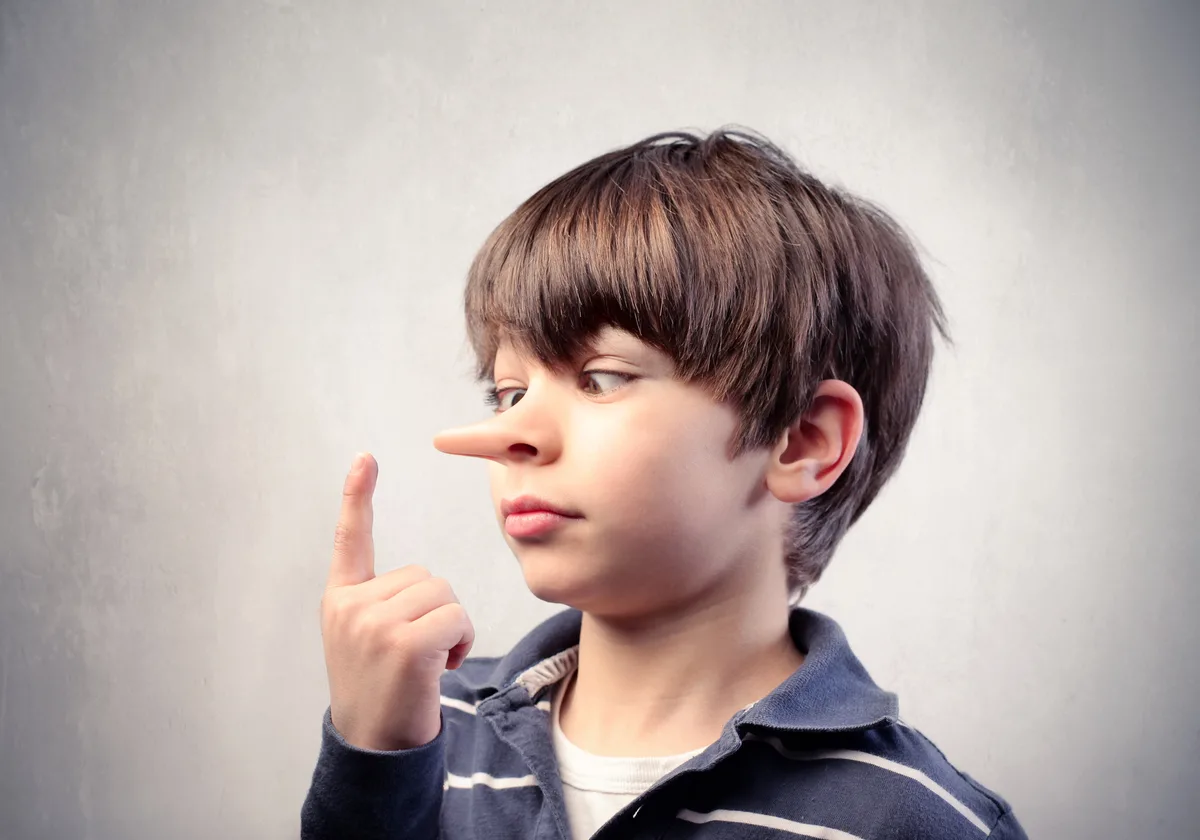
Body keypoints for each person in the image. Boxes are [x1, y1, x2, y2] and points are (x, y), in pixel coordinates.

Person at [300, 128, 1028, 839]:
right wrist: (375, 761)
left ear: (803, 439)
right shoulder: (420, 727)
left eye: (602, 378)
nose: (508, 435)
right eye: (508, 392)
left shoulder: (918, 821)